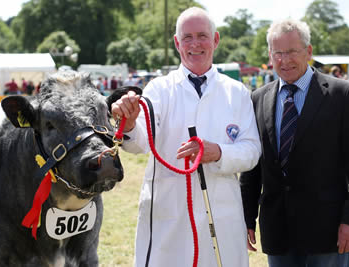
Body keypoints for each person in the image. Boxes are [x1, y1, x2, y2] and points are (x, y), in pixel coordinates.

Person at [112, 7, 261, 267]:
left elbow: (251, 151)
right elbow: (140, 143)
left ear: (215, 40)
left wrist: (218, 152)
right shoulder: (159, 89)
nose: (195, 44)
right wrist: (129, 123)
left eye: (202, 36)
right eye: (187, 37)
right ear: (176, 42)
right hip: (169, 217)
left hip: (222, 213)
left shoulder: (237, 92)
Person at [240, 18, 349, 267]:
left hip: (329, 232)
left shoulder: (341, 95)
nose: (285, 60)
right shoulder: (257, 99)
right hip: (278, 233)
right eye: (278, 53)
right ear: (270, 55)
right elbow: (253, 167)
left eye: (292, 51)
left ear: (309, 52)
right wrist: (247, 218)